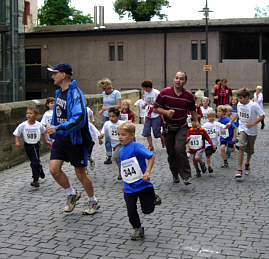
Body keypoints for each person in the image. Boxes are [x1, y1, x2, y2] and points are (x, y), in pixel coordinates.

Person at [47, 62, 100, 215]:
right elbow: (57, 117)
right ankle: (72, 194)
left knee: (80, 173)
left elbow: (80, 118)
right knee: (54, 170)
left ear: (63, 75)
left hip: (75, 140)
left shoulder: (76, 93)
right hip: (62, 138)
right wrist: (54, 134)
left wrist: (58, 128)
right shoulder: (58, 93)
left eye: (55, 73)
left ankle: (93, 201)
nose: (52, 76)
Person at [154, 71, 198, 185]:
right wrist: (166, 112)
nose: (178, 80)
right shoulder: (164, 93)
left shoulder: (188, 96)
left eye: (181, 78)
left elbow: (193, 110)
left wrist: (196, 121)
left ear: (185, 81)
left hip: (181, 126)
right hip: (168, 127)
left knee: (179, 149)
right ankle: (175, 174)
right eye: (177, 78)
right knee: (171, 153)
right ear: (174, 79)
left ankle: (186, 175)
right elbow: (155, 108)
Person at [117, 121, 157, 241]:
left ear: (132, 135)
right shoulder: (120, 151)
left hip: (143, 185)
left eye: (123, 135)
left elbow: (151, 156)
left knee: (147, 210)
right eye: (118, 134)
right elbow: (124, 169)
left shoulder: (136, 146)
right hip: (129, 186)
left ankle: (153, 197)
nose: (120, 137)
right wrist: (124, 183)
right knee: (131, 209)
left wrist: (147, 172)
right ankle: (137, 228)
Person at [228, 88, 265, 178]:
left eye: (241, 98)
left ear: (247, 97)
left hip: (252, 131)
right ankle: (239, 169)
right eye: (239, 98)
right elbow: (238, 114)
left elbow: (262, 115)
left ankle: (247, 163)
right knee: (241, 146)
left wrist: (253, 123)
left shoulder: (254, 105)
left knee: (249, 150)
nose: (239, 100)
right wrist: (231, 122)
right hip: (242, 128)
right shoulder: (240, 104)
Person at [13, 107, 48, 187]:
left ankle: (35, 180)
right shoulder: (23, 124)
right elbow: (16, 133)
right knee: (34, 161)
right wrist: (17, 142)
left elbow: (44, 132)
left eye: (30, 113)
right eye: (27, 113)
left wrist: (46, 141)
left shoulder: (39, 124)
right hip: (28, 145)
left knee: (35, 161)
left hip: (36, 145)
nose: (28, 115)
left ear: (36, 115)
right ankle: (40, 170)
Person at [97, 78, 121, 164]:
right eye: (102, 89)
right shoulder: (104, 93)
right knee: (107, 137)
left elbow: (118, 105)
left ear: (109, 87)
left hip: (116, 116)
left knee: (118, 135)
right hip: (106, 116)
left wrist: (106, 108)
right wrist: (102, 110)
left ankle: (120, 152)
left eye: (104, 89)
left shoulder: (116, 93)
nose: (103, 91)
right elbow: (104, 104)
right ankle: (109, 156)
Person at [99, 108, 123, 180]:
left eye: (113, 116)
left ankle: (121, 172)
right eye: (110, 116)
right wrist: (100, 137)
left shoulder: (122, 123)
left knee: (115, 156)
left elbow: (130, 130)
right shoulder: (107, 123)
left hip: (122, 143)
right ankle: (122, 170)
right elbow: (103, 131)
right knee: (120, 159)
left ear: (118, 116)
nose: (111, 118)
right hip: (114, 145)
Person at [141, 80, 165, 151]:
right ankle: (150, 145)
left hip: (156, 114)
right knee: (146, 131)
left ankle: (163, 139)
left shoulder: (156, 93)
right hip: (148, 114)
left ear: (148, 87)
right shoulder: (145, 93)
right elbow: (146, 101)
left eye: (145, 88)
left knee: (156, 132)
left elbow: (162, 102)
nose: (144, 90)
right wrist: (144, 105)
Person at [87, 106, 100, 171]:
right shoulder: (73, 108)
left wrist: (92, 120)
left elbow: (91, 114)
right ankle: (84, 168)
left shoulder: (87, 109)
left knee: (90, 143)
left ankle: (90, 159)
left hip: (87, 128)